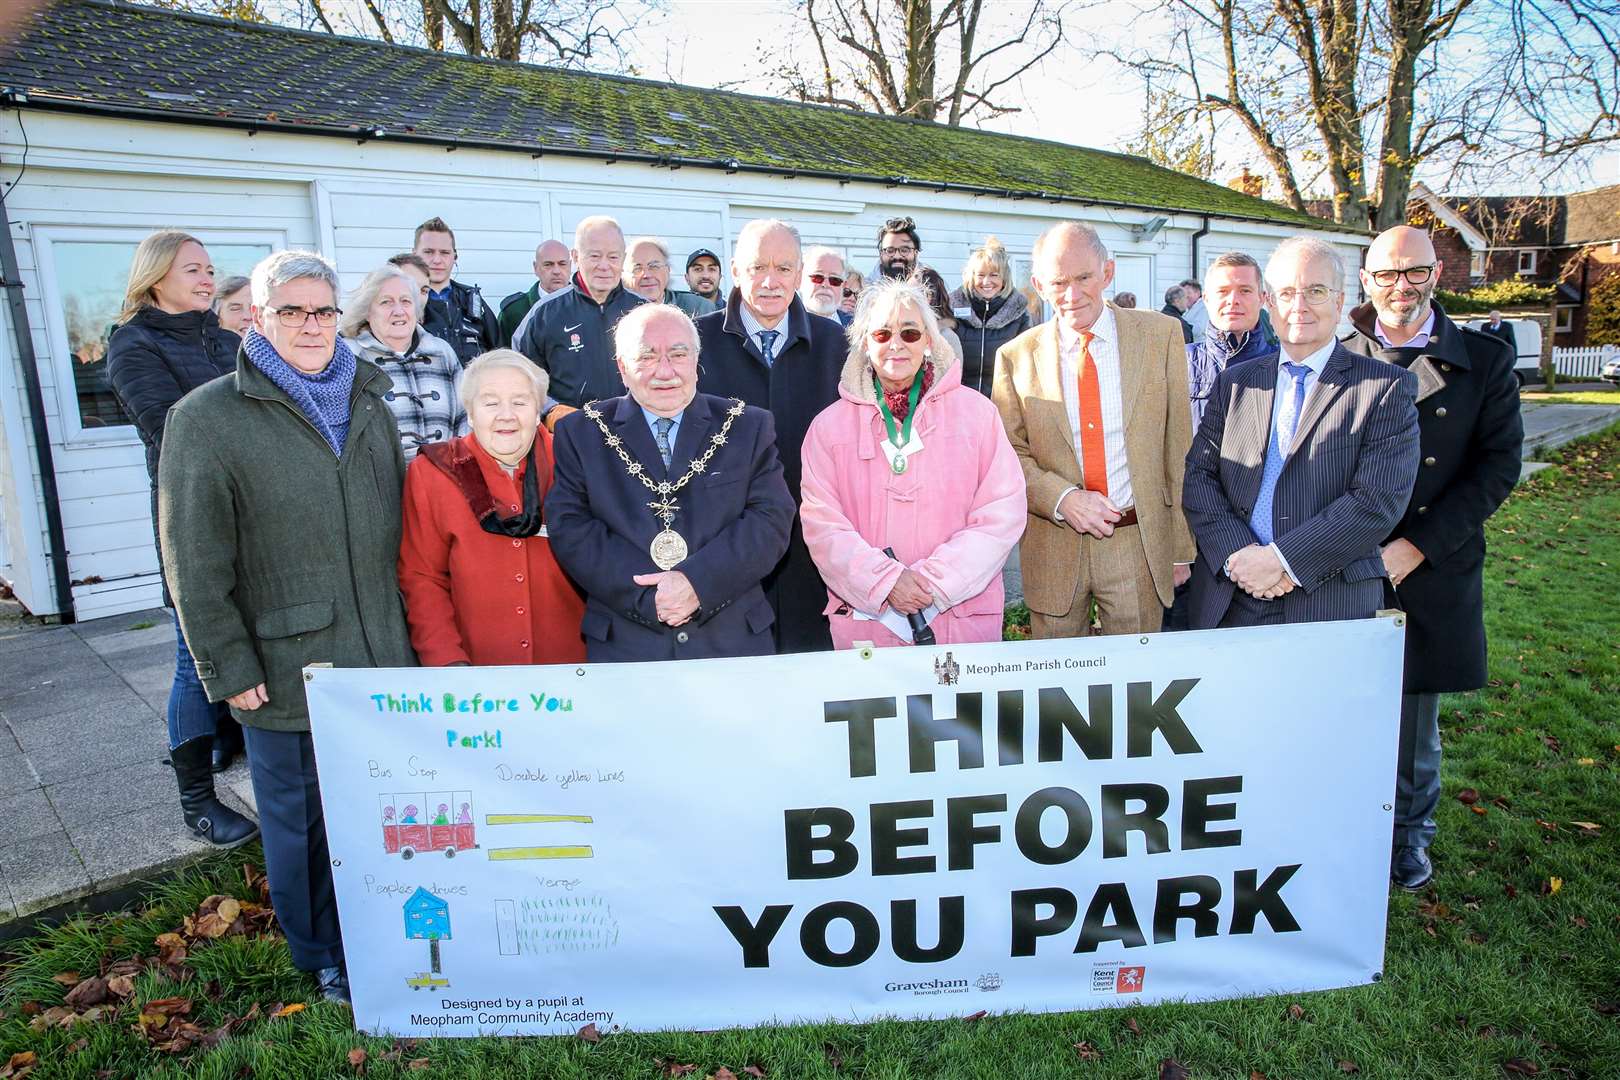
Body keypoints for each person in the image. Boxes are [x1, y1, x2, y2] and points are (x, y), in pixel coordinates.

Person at [158, 249, 416, 1005]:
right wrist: (227, 665)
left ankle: (383, 929)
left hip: (382, 653)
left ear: (343, 316)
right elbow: (193, 561)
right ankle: (320, 952)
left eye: (323, 310)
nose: (310, 325)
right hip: (285, 661)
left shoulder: (369, 398)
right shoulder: (206, 418)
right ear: (260, 318)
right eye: (292, 311)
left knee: (378, 810)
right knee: (300, 824)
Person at [1341, 225, 1523, 891]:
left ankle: (1409, 838)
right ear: (1366, 280)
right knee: (1340, 706)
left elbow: (1498, 466)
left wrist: (1417, 546)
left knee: (1414, 721)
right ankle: (1343, 825)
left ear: (1436, 275)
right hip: (1345, 563)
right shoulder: (1338, 353)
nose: (1399, 286)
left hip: (1431, 561)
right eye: (1385, 274)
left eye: (1412, 272)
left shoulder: (1483, 358)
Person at [1181, 236, 1420, 631]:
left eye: (1316, 291)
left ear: (1340, 302)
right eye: (1287, 292)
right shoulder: (1235, 383)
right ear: (1269, 302)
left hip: (1327, 600)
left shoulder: (1384, 388)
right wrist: (1238, 555)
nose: (1300, 306)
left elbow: (1377, 501)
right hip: (1230, 596)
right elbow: (1200, 477)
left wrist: (1281, 560)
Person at [106, 230, 256, 846]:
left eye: (210, 268)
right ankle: (197, 800)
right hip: (192, 516)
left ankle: (255, 756)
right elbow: (171, 431)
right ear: (156, 275)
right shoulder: (131, 345)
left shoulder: (225, 339)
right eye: (192, 268)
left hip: (257, 509)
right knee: (198, 659)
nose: (205, 278)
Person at [545, 304, 795, 661]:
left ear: (696, 359)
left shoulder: (748, 426)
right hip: (627, 645)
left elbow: (770, 520)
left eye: (678, 354)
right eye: (646, 356)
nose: (665, 371)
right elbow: (571, 528)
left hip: (731, 644)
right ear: (622, 367)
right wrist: (652, 597)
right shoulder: (581, 433)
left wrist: (697, 584)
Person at [992, 221, 1195, 637]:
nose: (1072, 295)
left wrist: (1180, 548)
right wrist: (1063, 498)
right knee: (1057, 688)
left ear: (1108, 272)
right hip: (1053, 543)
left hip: (1136, 544)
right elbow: (1007, 456)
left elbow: (1179, 447)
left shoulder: (1161, 336)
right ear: (1038, 285)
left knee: (1139, 687)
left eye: (1084, 277)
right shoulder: (1014, 357)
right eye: (1058, 282)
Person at [801, 278, 1024, 647]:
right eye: (882, 334)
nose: (896, 345)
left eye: (909, 333)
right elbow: (822, 524)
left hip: (961, 618)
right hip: (869, 624)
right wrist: (885, 581)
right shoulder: (828, 427)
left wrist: (934, 582)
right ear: (863, 342)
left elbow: (1002, 512)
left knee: (961, 707)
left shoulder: (978, 414)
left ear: (929, 341)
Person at [694, 219, 845, 652]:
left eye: (783, 269)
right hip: (725, 544)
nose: (770, 281)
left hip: (810, 546)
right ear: (736, 272)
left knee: (809, 678)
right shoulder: (696, 341)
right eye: (758, 267)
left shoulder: (835, 343)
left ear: (799, 275)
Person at [398, 350, 585, 666]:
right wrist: (447, 661)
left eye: (520, 402)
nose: (506, 415)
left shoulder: (573, 462)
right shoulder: (433, 474)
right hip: (478, 675)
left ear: (539, 408)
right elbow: (423, 577)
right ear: (469, 412)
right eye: (490, 402)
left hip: (573, 668)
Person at [1165, 251, 1279, 631]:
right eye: (1224, 291)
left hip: (1260, 545)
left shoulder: (1284, 370)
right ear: (1205, 300)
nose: (1234, 300)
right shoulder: (1176, 366)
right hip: (1191, 545)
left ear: (1263, 298)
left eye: (1245, 290)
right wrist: (1175, 549)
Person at [515, 215, 646, 407]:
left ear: (624, 259)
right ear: (575, 257)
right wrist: (551, 411)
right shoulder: (544, 313)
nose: (604, 266)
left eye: (613, 257)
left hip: (634, 429)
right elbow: (522, 377)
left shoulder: (645, 311)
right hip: (572, 431)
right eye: (594, 256)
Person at [340, 265, 466, 461]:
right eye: (386, 302)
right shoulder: (350, 356)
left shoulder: (442, 353)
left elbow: (464, 417)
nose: (398, 311)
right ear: (367, 311)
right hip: (381, 485)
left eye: (405, 301)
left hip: (443, 479)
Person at [949, 236, 1032, 397]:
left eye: (994, 275)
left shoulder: (1020, 315)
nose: (987, 281)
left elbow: (1027, 367)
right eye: (980, 275)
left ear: (1004, 278)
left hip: (1002, 405)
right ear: (971, 277)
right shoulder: (951, 309)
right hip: (959, 403)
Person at [413, 216, 502, 362]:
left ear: (455, 256)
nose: (437, 260)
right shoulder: (403, 304)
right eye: (428, 252)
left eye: (444, 252)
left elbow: (500, 354)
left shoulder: (473, 301)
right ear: (414, 255)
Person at [498, 240, 572, 344]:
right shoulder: (513, 312)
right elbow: (501, 357)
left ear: (570, 265)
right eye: (548, 265)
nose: (556, 271)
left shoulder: (588, 306)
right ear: (536, 267)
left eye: (562, 264)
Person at [625, 236, 717, 318]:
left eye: (654, 266)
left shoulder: (699, 309)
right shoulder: (616, 313)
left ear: (668, 270)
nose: (646, 275)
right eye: (637, 268)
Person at [799, 246, 850, 325]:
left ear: (843, 286)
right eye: (817, 277)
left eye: (834, 280)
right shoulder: (781, 324)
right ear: (800, 280)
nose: (825, 285)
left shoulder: (857, 327)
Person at [876, 216, 921, 280]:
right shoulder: (864, 287)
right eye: (890, 251)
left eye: (904, 250)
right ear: (881, 254)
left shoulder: (933, 286)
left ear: (916, 253)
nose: (897, 256)